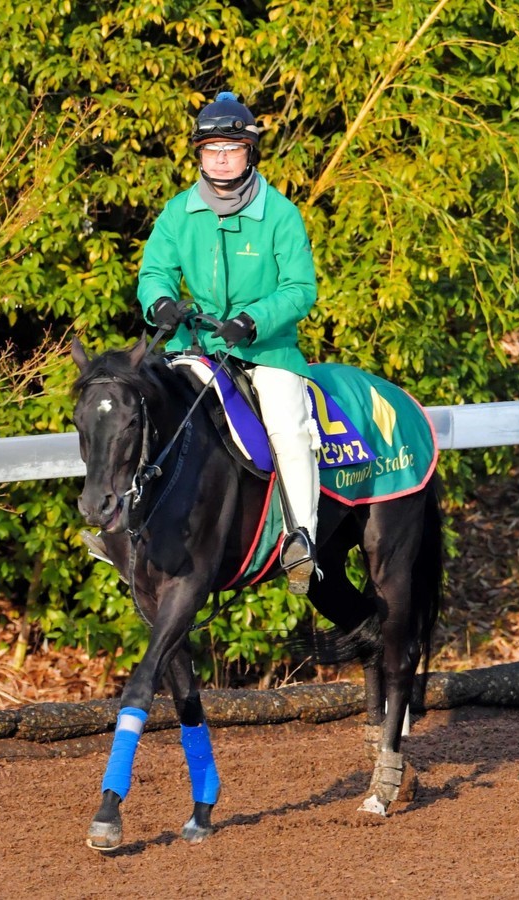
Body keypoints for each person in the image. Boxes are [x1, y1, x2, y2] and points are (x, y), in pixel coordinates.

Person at [137, 91, 320, 594]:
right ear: (198, 154)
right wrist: (160, 304)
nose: (220, 157)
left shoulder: (281, 214)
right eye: (211, 148)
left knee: (287, 422)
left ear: (249, 153)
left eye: (231, 148)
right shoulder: (179, 212)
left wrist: (253, 320)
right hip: (195, 346)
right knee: (146, 410)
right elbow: (154, 272)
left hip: (266, 351)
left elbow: (301, 289)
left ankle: (301, 538)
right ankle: (126, 526)